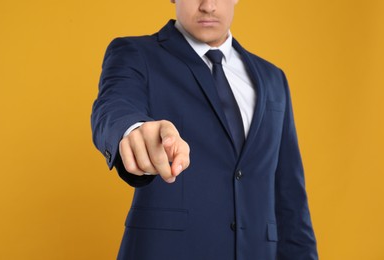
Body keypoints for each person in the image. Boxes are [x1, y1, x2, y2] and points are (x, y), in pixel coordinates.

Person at [91, 0, 318, 259]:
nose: (208, 6)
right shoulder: (135, 53)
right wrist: (134, 129)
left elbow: (290, 196)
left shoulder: (273, 78)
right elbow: (114, 105)